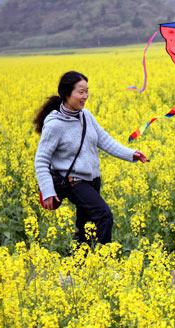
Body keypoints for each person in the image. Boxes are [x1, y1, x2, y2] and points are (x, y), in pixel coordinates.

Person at [34, 71, 148, 244]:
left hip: (93, 180)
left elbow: (104, 140)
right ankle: (105, 262)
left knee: (86, 228)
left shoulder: (85, 116)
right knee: (104, 216)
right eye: (81, 92)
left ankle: (79, 268)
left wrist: (131, 154)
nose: (85, 96)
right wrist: (48, 190)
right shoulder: (55, 125)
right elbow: (41, 160)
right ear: (67, 93)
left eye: (87, 91)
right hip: (75, 182)